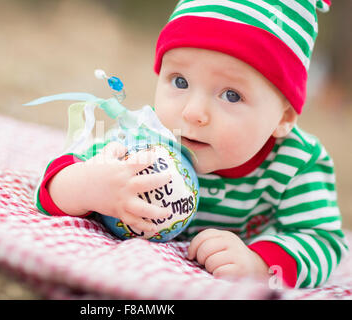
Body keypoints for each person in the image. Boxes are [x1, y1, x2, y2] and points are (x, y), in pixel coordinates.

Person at [33, 0, 348, 288]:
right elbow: (53, 182)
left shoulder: (296, 162)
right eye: (180, 82)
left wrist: (260, 263)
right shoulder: (147, 138)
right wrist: (87, 187)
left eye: (232, 95)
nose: (193, 112)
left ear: (284, 117)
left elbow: (322, 239)